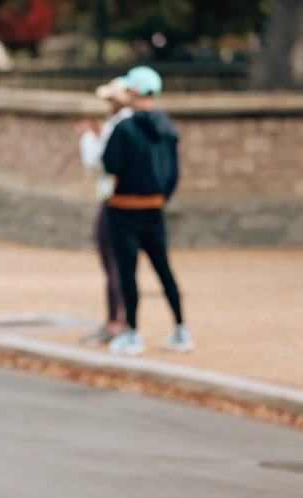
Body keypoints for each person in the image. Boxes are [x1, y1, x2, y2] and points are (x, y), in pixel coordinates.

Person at [102, 66, 193, 355]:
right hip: (154, 206)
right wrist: (161, 195)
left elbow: (110, 165)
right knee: (164, 268)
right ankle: (180, 328)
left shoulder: (123, 128)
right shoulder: (167, 128)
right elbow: (174, 173)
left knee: (128, 272)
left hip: (124, 206)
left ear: (134, 92)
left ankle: (133, 331)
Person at [75, 78, 133, 346]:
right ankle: (125, 321)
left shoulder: (116, 126)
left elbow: (98, 163)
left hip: (112, 199)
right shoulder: (136, 123)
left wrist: (88, 136)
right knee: (123, 263)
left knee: (112, 261)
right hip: (133, 200)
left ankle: (114, 322)